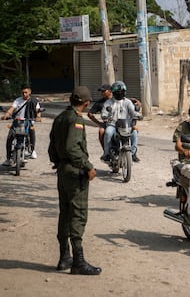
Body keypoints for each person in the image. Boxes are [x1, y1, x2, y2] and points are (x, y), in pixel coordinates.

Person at [48, 86, 101, 275]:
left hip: (62, 170)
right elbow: (72, 148)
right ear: (86, 103)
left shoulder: (60, 118)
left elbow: (52, 147)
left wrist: (58, 163)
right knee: (78, 214)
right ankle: (78, 261)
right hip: (75, 172)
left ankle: (64, 257)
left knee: (65, 213)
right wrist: (88, 166)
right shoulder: (76, 119)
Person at [101, 81, 141, 163]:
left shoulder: (128, 102)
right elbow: (104, 113)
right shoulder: (108, 102)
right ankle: (107, 154)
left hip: (126, 125)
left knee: (135, 133)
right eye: (118, 92)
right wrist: (105, 116)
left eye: (122, 92)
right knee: (108, 133)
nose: (120, 93)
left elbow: (133, 112)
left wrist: (138, 115)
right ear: (114, 92)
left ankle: (133, 153)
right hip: (113, 125)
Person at [1, 85, 41, 166]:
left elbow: (38, 110)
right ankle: (8, 158)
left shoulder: (34, 101)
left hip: (28, 121)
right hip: (17, 122)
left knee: (32, 133)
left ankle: (32, 150)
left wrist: (38, 117)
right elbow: (11, 109)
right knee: (9, 138)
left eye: (26, 92)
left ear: (30, 92)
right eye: (22, 92)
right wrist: (6, 115)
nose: (24, 94)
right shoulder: (17, 100)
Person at [87, 84, 113, 149]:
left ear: (110, 91)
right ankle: (105, 151)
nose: (102, 93)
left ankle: (133, 153)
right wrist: (99, 123)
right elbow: (90, 114)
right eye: (101, 91)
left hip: (119, 122)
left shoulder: (117, 99)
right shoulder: (100, 102)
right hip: (107, 123)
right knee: (101, 131)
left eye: (104, 91)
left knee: (133, 131)